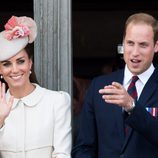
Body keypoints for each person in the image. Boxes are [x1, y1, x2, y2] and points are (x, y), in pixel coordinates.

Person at [72, 12, 158, 158]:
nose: (135, 52)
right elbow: (84, 147)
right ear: (123, 43)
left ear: (156, 46)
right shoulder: (99, 86)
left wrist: (132, 106)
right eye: (130, 43)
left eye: (143, 45)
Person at [0, 15, 72, 158]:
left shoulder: (57, 101)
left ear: (30, 63)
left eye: (20, 61)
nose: (14, 70)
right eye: (6, 64)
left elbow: (62, 154)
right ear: (0, 70)